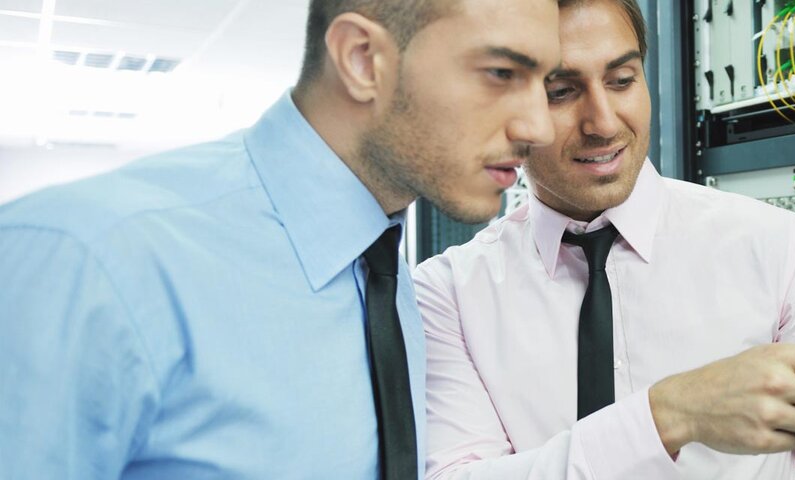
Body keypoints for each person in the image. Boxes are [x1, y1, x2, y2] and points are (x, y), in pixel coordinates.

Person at [0, 0, 561, 477]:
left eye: (546, 84)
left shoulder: (385, 276)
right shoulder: (87, 259)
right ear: (363, 60)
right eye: (501, 74)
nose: (540, 127)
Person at [413, 0, 795, 478]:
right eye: (561, 91)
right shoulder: (449, 293)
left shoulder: (775, 246)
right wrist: (666, 417)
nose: (604, 123)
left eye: (622, 80)